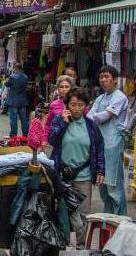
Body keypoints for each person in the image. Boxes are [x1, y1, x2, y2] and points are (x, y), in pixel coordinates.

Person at [49, 88, 105, 245]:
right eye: (73, 104)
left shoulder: (91, 126)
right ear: (67, 105)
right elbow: (52, 140)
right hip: (62, 174)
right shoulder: (59, 121)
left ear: (85, 106)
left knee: (83, 214)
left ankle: (80, 246)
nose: (77, 108)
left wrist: (100, 170)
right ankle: (64, 243)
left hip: (84, 176)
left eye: (81, 105)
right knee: (62, 211)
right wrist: (63, 124)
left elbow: (99, 148)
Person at [87, 65, 128, 215]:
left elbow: (103, 116)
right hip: (100, 145)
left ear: (115, 80)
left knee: (113, 185)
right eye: (101, 77)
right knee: (103, 183)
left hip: (113, 144)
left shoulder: (120, 97)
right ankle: (109, 217)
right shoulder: (100, 98)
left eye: (107, 77)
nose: (103, 80)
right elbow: (91, 115)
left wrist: (91, 118)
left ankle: (120, 219)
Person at [6, 62, 29, 137]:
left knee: (13, 119)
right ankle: (25, 134)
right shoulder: (25, 77)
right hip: (22, 101)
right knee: (24, 119)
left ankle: (13, 135)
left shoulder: (12, 77)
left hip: (13, 101)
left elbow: (7, 84)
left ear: (15, 68)